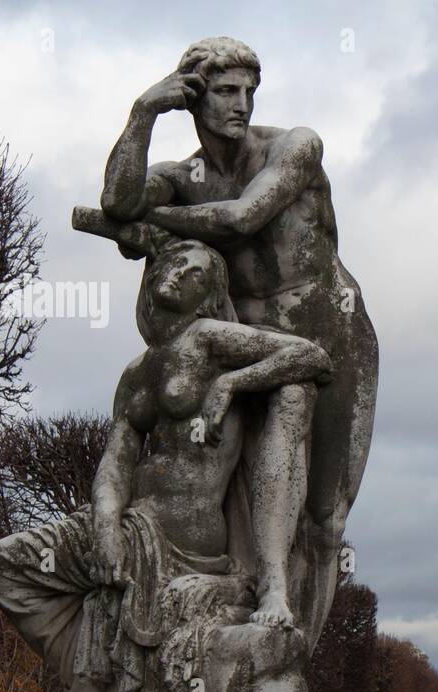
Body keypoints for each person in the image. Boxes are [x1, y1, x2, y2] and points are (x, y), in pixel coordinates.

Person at [0, 238, 332, 692]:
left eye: (195, 270)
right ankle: (87, 680)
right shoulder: (136, 371)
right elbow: (116, 459)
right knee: (4, 563)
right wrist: (104, 519)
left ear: (209, 293)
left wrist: (231, 383)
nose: (178, 271)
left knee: (296, 389)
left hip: (187, 535)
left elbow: (311, 358)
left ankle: (90, 687)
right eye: (174, 261)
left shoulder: (211, 338)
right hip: (130, 520)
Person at [99, 36, 378, 650]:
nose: (242, 104)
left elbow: (240, 219)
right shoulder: (184, 176)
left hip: (330, 324)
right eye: (226, 92)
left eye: (249, 91)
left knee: (325, 521)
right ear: (194, 98)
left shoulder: (295, 146)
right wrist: (143, 111)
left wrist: (148, 224)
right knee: (241, 494)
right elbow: (116, 199)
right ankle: (265, 609)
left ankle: (294, 671)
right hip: (245, 334)